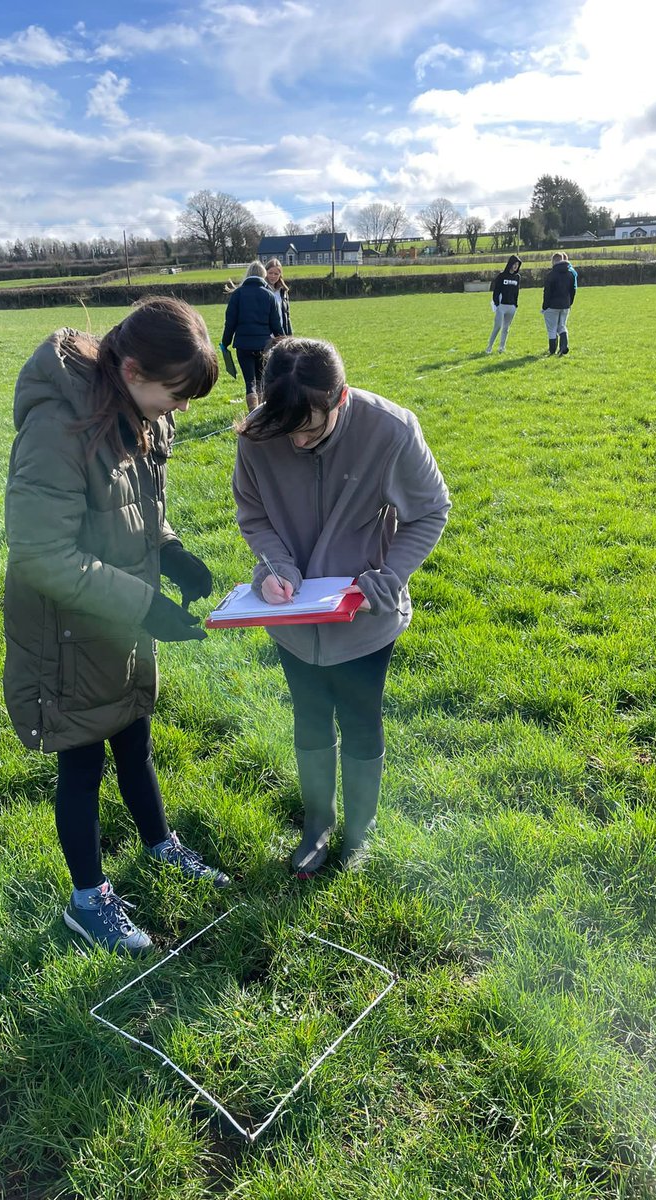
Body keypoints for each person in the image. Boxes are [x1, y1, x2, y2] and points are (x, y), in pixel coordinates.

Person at [4, 296, 229, 957]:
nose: (181, 408)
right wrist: (144, 604)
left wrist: (171, 550)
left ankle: (161, 845)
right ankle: (88, 901)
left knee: (134, 737)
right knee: (82, 762)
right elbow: (41, 554)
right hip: (68, 626)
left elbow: (140, 505)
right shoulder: (57, 428)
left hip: (122, 611)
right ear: (131, 368)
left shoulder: (142, 413)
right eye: (177, 392)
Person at [232, 338, 450, 876]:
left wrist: (391, 574)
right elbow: (252, 513)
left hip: (364, 618)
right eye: (289, 430)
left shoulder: (392, 431)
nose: (299, 441)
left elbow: (430, 510)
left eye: (311, 427)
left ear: (341, 398)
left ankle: (359, 832)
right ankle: (316, 824)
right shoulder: (262, 433)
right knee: (308, 718)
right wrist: (276, 565)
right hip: (292, 619)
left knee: (360, 719)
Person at [221, 261, 284, 412]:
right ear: (263, 275)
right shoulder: (269, 296)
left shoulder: (237, 294)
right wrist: (285, 342)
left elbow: (230, 322)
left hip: (243, 345)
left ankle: (252, 414)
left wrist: (225, 343)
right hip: (264, 345)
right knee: (261, 381)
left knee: (250, 382)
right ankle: (261, 414)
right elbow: (276, 325)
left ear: (248, 274)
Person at [485, 254, 522, 354]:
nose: (515, 266)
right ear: (510, 264)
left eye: (517, 265)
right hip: (501, 306)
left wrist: (515, 305)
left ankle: (502, 347)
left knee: (506, 328)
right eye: (514, 264)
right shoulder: (502, 276)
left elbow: (516, 292)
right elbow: (496, 291)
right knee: (497, 327)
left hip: (511, 307)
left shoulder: (517, 277)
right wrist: (497, 304)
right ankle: (489, 346)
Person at [542, 251, 576, 356]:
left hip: (552, 306)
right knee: (562, 326)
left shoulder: (551, 275)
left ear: (553, 261)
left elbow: (547, 292)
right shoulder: (570, 274)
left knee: (552, 328)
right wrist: (570, 303)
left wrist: (545, 306)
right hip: (565, 304)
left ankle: (552, 350)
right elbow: (573, 290)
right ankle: (563, 346)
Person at [264, 258, 293, 336]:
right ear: (265, 272)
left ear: (280, 275)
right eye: (270, 273)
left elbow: (287, 316)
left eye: (276, 274)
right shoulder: (262, 290)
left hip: (281, 335)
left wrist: (290, 336)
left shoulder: (283, 291)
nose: (273, 276)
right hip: (266, 336)